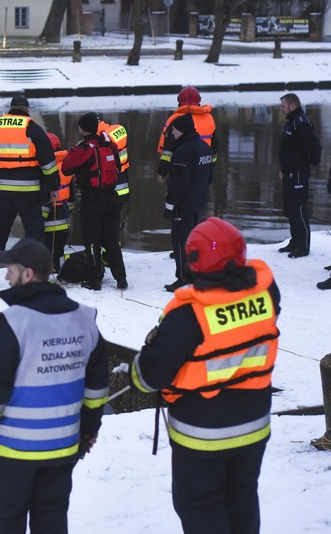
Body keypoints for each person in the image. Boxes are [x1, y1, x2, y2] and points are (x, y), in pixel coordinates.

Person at [132, 217, 280, 534]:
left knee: (201, 508)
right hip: (254, 427)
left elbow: (151, 375)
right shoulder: (267, 294)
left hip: (202, 436)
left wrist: (135, 368)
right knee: (241, 501)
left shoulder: (188, 315)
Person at [0, 238, 109, 534]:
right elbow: (97, 387)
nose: (5, 277)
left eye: (10, 270)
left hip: (15, 452)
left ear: (26, 275)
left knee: (5, 524)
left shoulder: (11, 324)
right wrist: (88, 430)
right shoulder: (84, 319)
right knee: (52, 523)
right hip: (63, 448)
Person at [0, 95, 60, 287]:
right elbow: (48, 163)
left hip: (2, 191)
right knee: (34, 232)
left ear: (11, 108)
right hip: (28, 191)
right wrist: (54, 186)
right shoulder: (32, 129)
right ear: (27, 110)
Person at [61, 112, 128, 291]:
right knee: (112, 240)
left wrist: (73, 150)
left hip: (92, 199)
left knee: (92, 241)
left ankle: (94, 280)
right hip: (111, 197)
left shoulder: (85, 148)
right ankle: (121, 278)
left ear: (82, 129)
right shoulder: (109, 145)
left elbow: (66, 168)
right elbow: (118, 167)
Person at [163, 113, 213, 292]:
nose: (173, 134)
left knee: (180, 241)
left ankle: (183, 277)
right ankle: (195, 274)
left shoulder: (183, 151)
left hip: (183, 204)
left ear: (182, 130)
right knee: (195, 240)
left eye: (174, 130)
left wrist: (170, 205)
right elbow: (209, 176)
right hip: (199, 202)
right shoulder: (204, 147)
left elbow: (177, 183)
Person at [278, 93, 323, 258]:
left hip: (298, 174)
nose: (281, 109)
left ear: (292, 105)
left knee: (298, 209)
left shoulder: (301, 123)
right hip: (289, 173)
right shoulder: (291, 123)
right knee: (290, 209)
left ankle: (303, 246)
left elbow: (314, 147)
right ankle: (295, 241)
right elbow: (287, 150)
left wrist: (308, 164)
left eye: (283, 105)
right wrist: (283, 169)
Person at [156, 85, 218, 183]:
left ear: (179, 100)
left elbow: (167, 149)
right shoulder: (209, 119)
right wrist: (211, 166)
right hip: (203, 168)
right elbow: (215, 146)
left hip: (180, 169)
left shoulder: (175, 120)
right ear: (199, 100)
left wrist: (162, 171)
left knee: (177, 196)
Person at [42, 132, 73, 274]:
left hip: (48, 212)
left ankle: (48, 271)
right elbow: (71, 194)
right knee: (60, 247)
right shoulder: (67, 164)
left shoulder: (43, 167)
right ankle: (60, 272)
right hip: (63, 212)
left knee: (47, 245)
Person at [97, 117, 131, 236]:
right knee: (116, 216)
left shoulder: (101, 138)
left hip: (111, 180)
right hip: (123, 179)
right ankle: (116, 244)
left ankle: (108, 248)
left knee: (108, 219)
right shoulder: (119, 129)